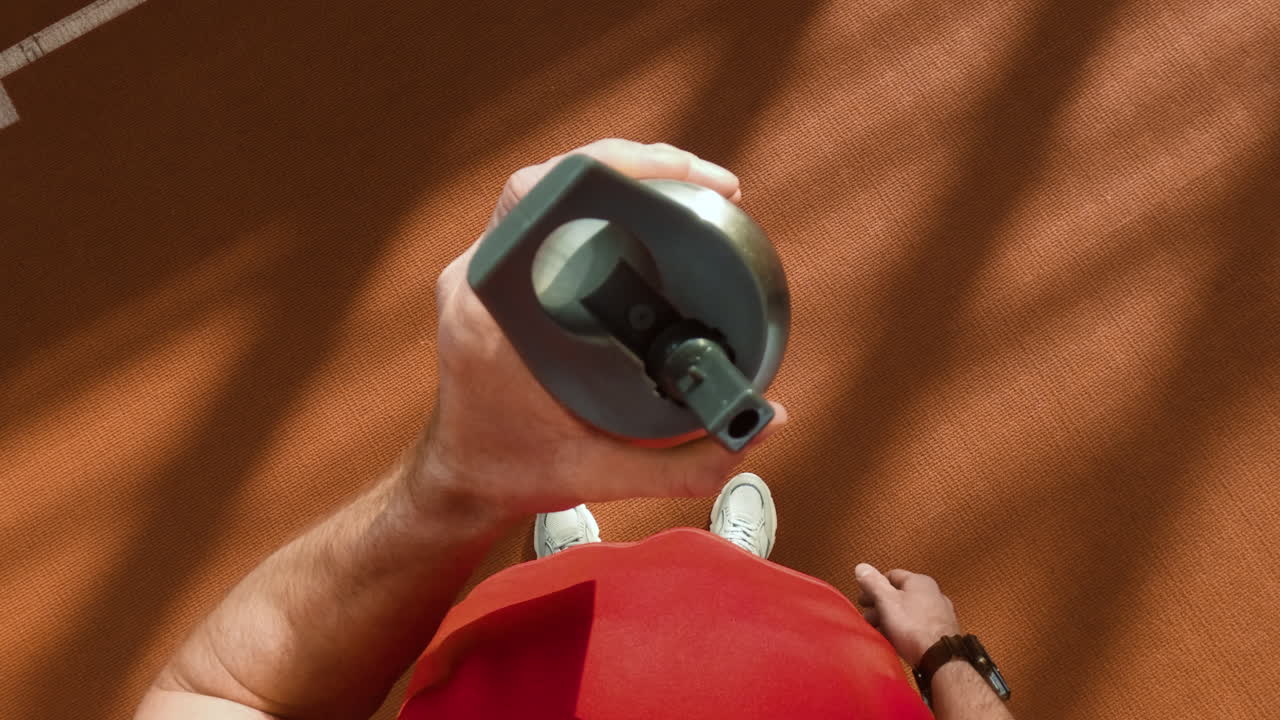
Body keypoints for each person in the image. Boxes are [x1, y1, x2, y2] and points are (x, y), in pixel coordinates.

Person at [135, 139, 1016, 720]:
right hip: (792, 646)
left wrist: (459, 483)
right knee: (726, 591)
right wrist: (944, 652)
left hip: (519, 652)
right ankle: (729, 569)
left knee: (549, 609)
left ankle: (563, 576)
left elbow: (223, 696)